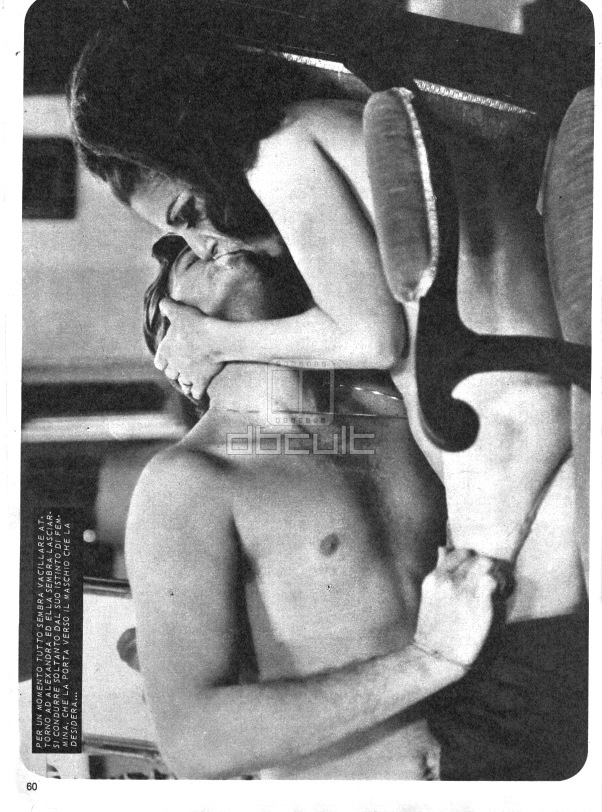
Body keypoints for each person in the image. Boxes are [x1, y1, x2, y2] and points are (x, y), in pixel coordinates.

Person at [126, 234, 499, 780]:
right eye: (190, 252)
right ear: (168, 333)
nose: (214, 239)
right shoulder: (189, 479)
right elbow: (193, 741)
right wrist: (428, 661)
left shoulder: (394, 414)